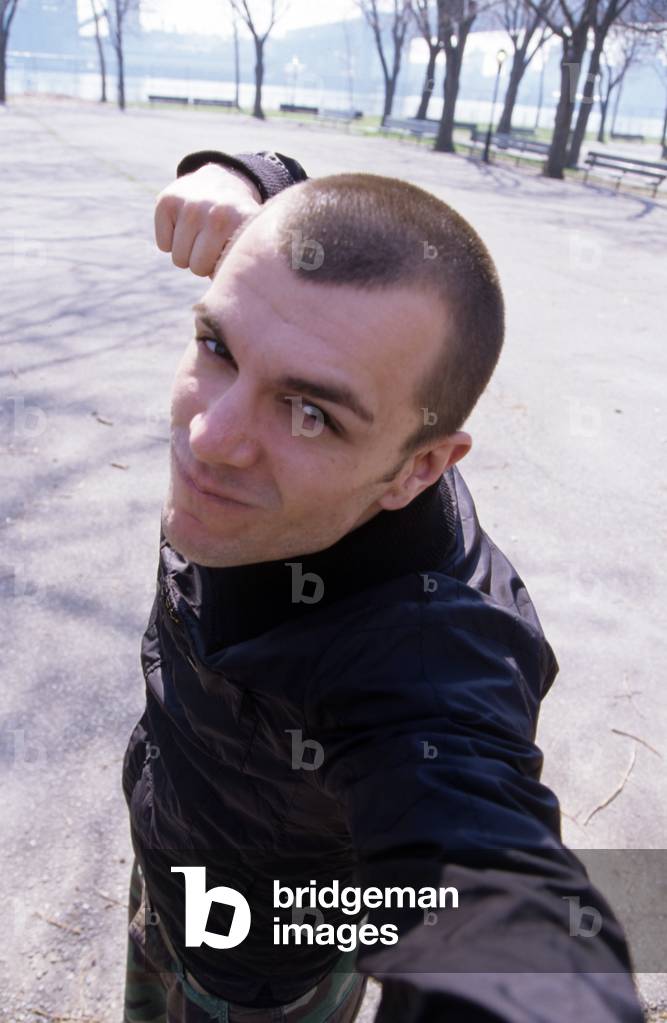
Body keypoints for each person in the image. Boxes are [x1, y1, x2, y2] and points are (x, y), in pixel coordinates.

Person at [121, 147, 645, 1023]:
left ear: (420, 467)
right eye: (216, 345)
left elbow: (496, 893)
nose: (210, 435)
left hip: (266, 974)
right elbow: (325, 236)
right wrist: (244, 177)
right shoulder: (330, 338)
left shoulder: (427, 657)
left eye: (311, 412)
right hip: (169, 857)